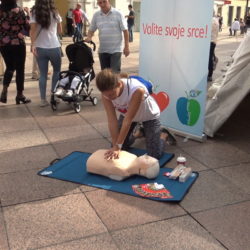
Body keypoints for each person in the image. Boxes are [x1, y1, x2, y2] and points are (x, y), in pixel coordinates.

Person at [95, 69, 174, 160]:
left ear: (119, 84)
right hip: (127, 115)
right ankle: (139, 133)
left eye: (111, 94)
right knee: (119, 147)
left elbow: (128, 120)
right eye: (106, 95)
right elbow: (112, 120)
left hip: (148, 116)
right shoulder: (105, 94)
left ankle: (163, 135)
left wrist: (118, 146)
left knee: (154, 155)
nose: (109, 98)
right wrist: (115, 145)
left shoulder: (136, 90)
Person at [30, 0, 62, 107]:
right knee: (57, 71)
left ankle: (43, 100)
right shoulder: (55, 11)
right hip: (54, 46)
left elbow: (33, 30)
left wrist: (32, 45)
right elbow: (60, 30)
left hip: (40, 47)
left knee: (43, 74)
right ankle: (54, 96)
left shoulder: (35, 12)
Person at [0, 0, 31, 104]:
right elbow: (27, 26)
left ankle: (4, 89)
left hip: (3, 43)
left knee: (9, 66)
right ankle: (20, 95)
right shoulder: (19, 11)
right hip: (18, 43)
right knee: (20, 68)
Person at [86, 0, 130, 73]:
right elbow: (91, 29)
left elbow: (125, 31)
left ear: (108, 1)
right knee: (105, 76)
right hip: (102, 50)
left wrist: (127, 47)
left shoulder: (118, 14)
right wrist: (89, 37)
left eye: (104, 1)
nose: (102, 4)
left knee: (114, 74)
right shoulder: (96, 15)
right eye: (100, 2)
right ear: (97, 3)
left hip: (116, 50)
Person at [207, 15, 219, 82]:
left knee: (209, 59)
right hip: (213, 41)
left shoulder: (210, 21)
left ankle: (209, 75)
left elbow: (207, 30)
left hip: (209, 41)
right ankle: (214, 58)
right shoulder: (216, 20)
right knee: (210, 56)